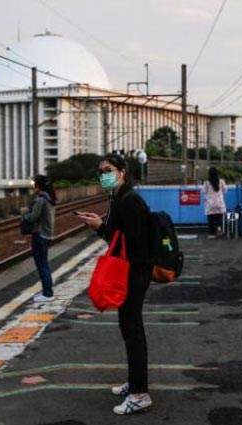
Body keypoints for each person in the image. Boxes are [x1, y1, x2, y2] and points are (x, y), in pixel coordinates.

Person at [75, 153, 153, 415]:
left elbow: (130, 241)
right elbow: (117, 234)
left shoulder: (130, 200)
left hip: (134, 272)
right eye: (101, 171)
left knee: (133, 330)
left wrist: (100, 227)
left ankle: (140, 394)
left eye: (108, 170)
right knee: (128, 327)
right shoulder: (118, 197)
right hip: (128, 271)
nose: (103, 175)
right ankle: (135, 381)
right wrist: (100, 224)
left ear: (122, 172)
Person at [22, 175, 57, 303]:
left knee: (42, 265)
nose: (33, 187)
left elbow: (32, 217)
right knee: (44, 264)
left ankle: (47, 293)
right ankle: (47, 291)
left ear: (38, 186)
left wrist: (24, 212)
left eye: (34, 185)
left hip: (40, 235)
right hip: (47, 234)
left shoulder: (40, 200)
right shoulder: (50, 198)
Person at [201, 166, 227, 238]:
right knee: (219, 216)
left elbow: (203, 191)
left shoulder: (206, 182)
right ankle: (219, 228)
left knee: (211, 218)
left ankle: (211, 233)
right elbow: (225, 190)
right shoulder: (221, 181)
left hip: (210, 203)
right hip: (219, 202)